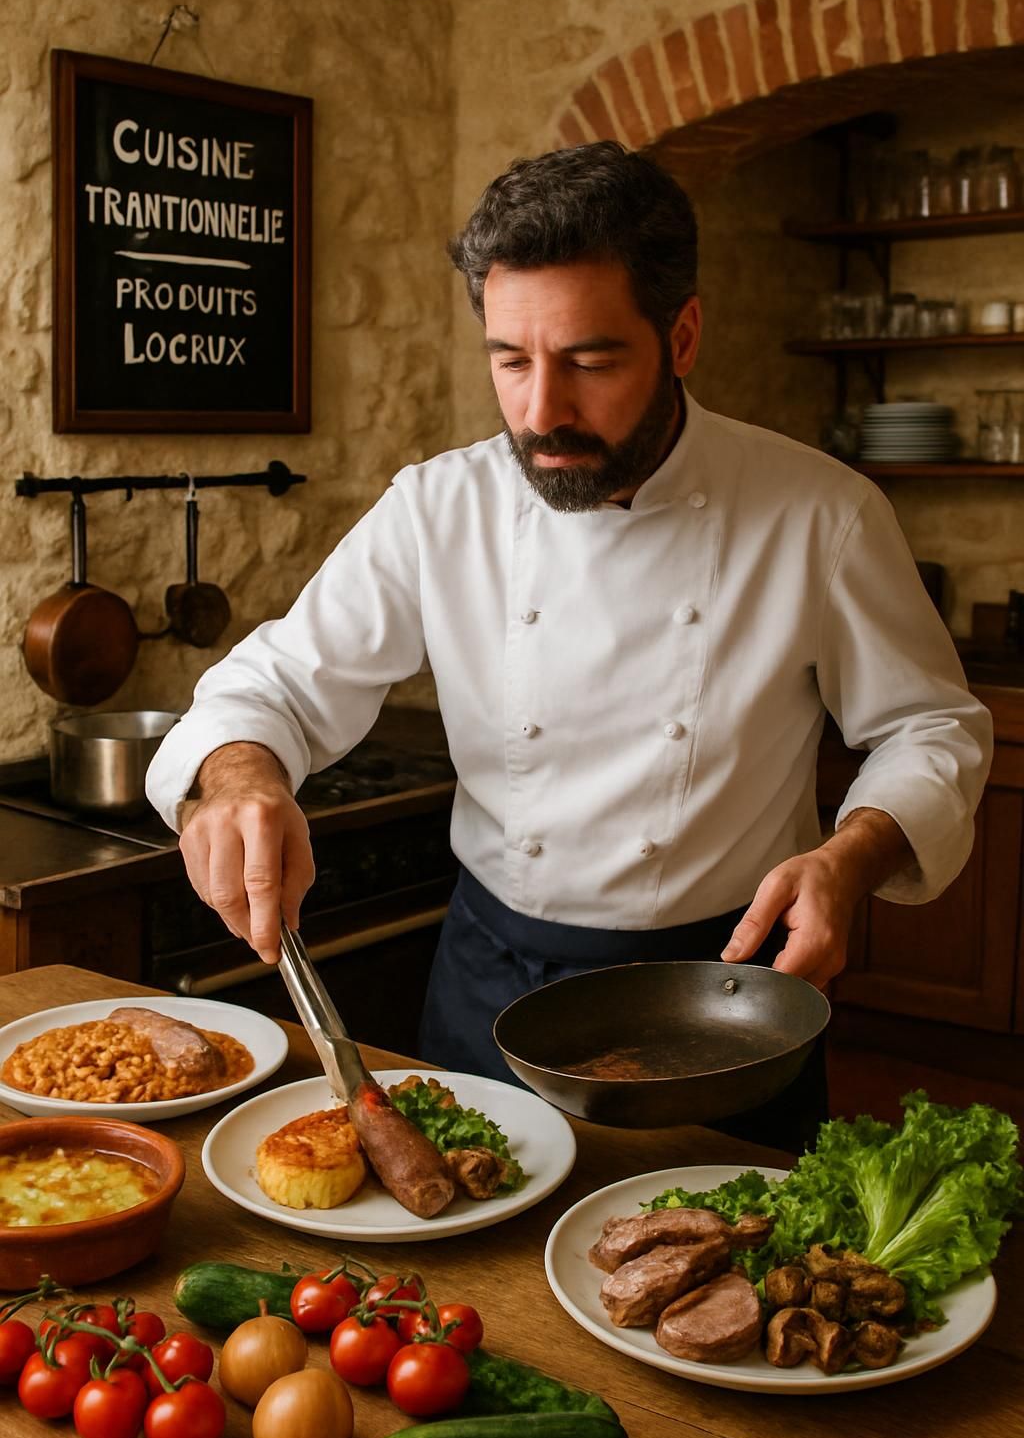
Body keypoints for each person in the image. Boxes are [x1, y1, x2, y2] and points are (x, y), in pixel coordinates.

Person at [147, 141, 992, 1152]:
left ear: (680, 336)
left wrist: (851, 859)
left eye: (588, 361)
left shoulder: (820, 515)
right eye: (511, 361)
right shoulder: (438, 508)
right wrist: (238, 773)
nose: (541, 412)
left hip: (724, 996)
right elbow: (279, 681)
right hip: (491, 988)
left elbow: (929, 729)